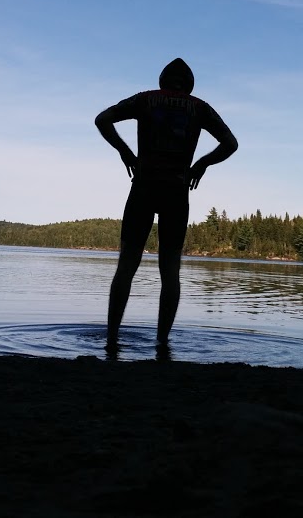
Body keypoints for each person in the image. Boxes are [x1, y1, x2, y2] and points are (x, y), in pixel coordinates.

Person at [95, 58, 238, 350]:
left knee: (126, 265)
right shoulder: (200, 107)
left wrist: (125, 151)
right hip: (176, 190)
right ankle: (162, 342)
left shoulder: (146, 99)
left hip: (144, 186)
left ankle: (111, 339)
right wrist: (202, 164)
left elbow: (102, 119)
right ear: (189, 84)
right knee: (170, 271)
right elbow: (230, 143)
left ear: (163, 80)